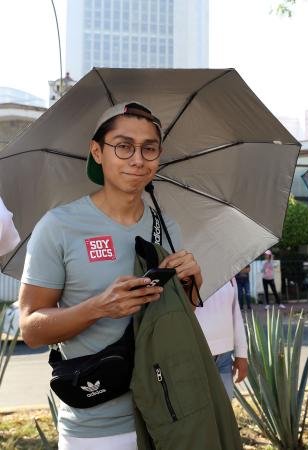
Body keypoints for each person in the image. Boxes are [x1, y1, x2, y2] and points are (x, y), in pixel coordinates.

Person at [18, 102, 202, 450]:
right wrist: (99, 307)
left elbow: (176, 318)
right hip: (97, 429)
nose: (138, 159)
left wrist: (192, 285)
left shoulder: (167, 228)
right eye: (124, 146)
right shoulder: (59, 226)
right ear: (97, 152)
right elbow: (30, 329)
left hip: (168, 416)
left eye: (149, 148)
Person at [195, 278, 248, 399]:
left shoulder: (226, 273)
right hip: (196, 356)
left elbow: (235, 313)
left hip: (224, 358)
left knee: (226, 407)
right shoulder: (183, 271)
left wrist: (241, 354)